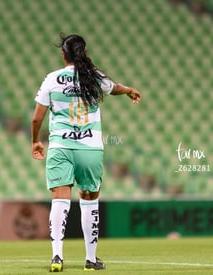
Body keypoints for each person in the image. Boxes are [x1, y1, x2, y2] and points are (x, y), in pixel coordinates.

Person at [31, 34, 141, 272]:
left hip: (61, 146)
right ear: (85, 53)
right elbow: (115, 88)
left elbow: (36, 117)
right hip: (90, 148)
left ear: (64, 54)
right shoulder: (95, 77)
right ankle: (91, 260)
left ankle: (57, 257)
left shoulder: (52, 79)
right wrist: (130, 90)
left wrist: (35, 142)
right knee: (89, 200)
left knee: (60, 199)